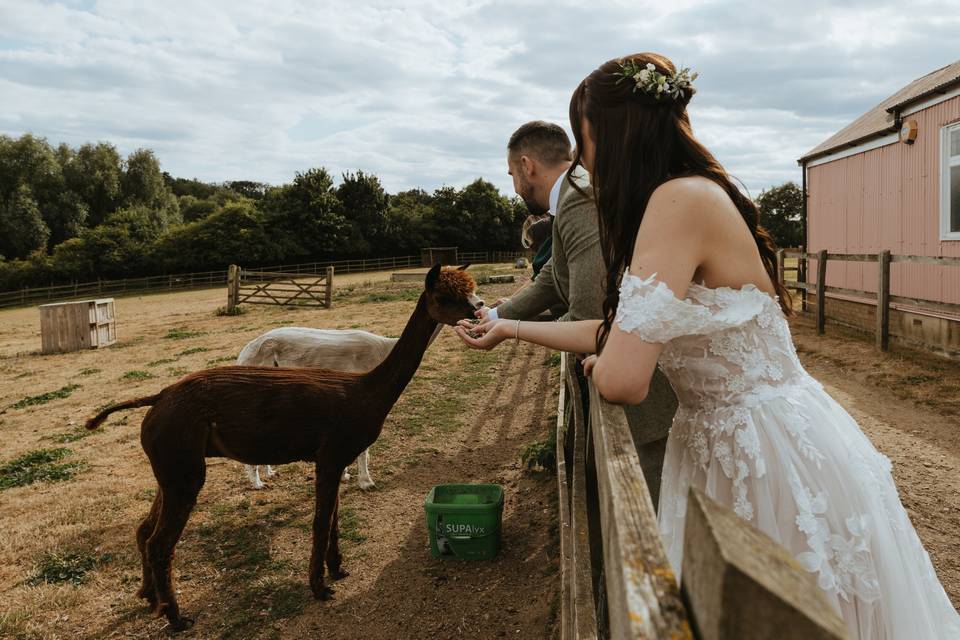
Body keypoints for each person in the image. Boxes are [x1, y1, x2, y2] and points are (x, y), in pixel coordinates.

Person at [456, 53, 960, 639]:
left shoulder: (677, 203)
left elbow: (622, 375)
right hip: (734, 439)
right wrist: (511, 327)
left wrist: (606, 363)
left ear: (616, 136)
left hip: (760, 452)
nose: (583, 160)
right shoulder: (686, 197)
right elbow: (626, 334)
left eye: (584, 138)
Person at [481, 119, 677, 504]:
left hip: (640, 393)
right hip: (617, 369)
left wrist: (514, 329)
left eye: (511, 174)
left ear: (527, 165)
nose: (515, 186)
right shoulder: (570, 197)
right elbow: (555, 276)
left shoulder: (580, 199)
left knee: (646, 511)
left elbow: (591, 309)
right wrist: (495, 316)